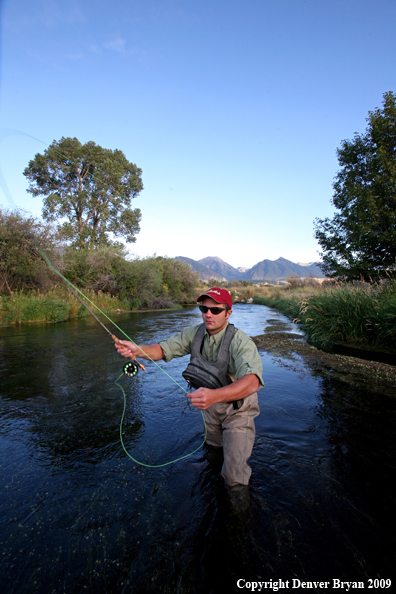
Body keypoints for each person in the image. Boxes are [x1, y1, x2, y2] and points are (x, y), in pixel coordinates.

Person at [115, 287, 263, 488]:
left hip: (238, 411)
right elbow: (162, 349)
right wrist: (137, 349)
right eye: (204, 309)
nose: (208, 314)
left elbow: (252, 382)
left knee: (233, 477)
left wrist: (213, 396)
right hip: (211, 408)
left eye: (216, 310)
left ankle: (238, 512)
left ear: (228, 313)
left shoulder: (241, 341)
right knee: (213, 452)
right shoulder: (194, 333)